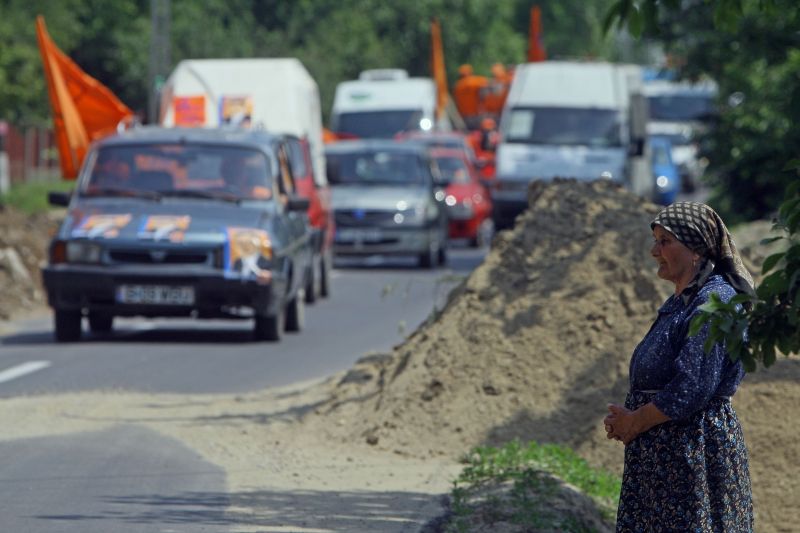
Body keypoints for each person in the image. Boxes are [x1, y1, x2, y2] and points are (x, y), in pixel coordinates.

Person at [605, 201, 755, 531]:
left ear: (696, 250)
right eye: (656, 240)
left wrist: (635, 422)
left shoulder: (714, 301)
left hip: (693, 455)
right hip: (665, 459)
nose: (653, 251)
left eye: (665, 241)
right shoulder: (682, 300)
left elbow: (693, 386)